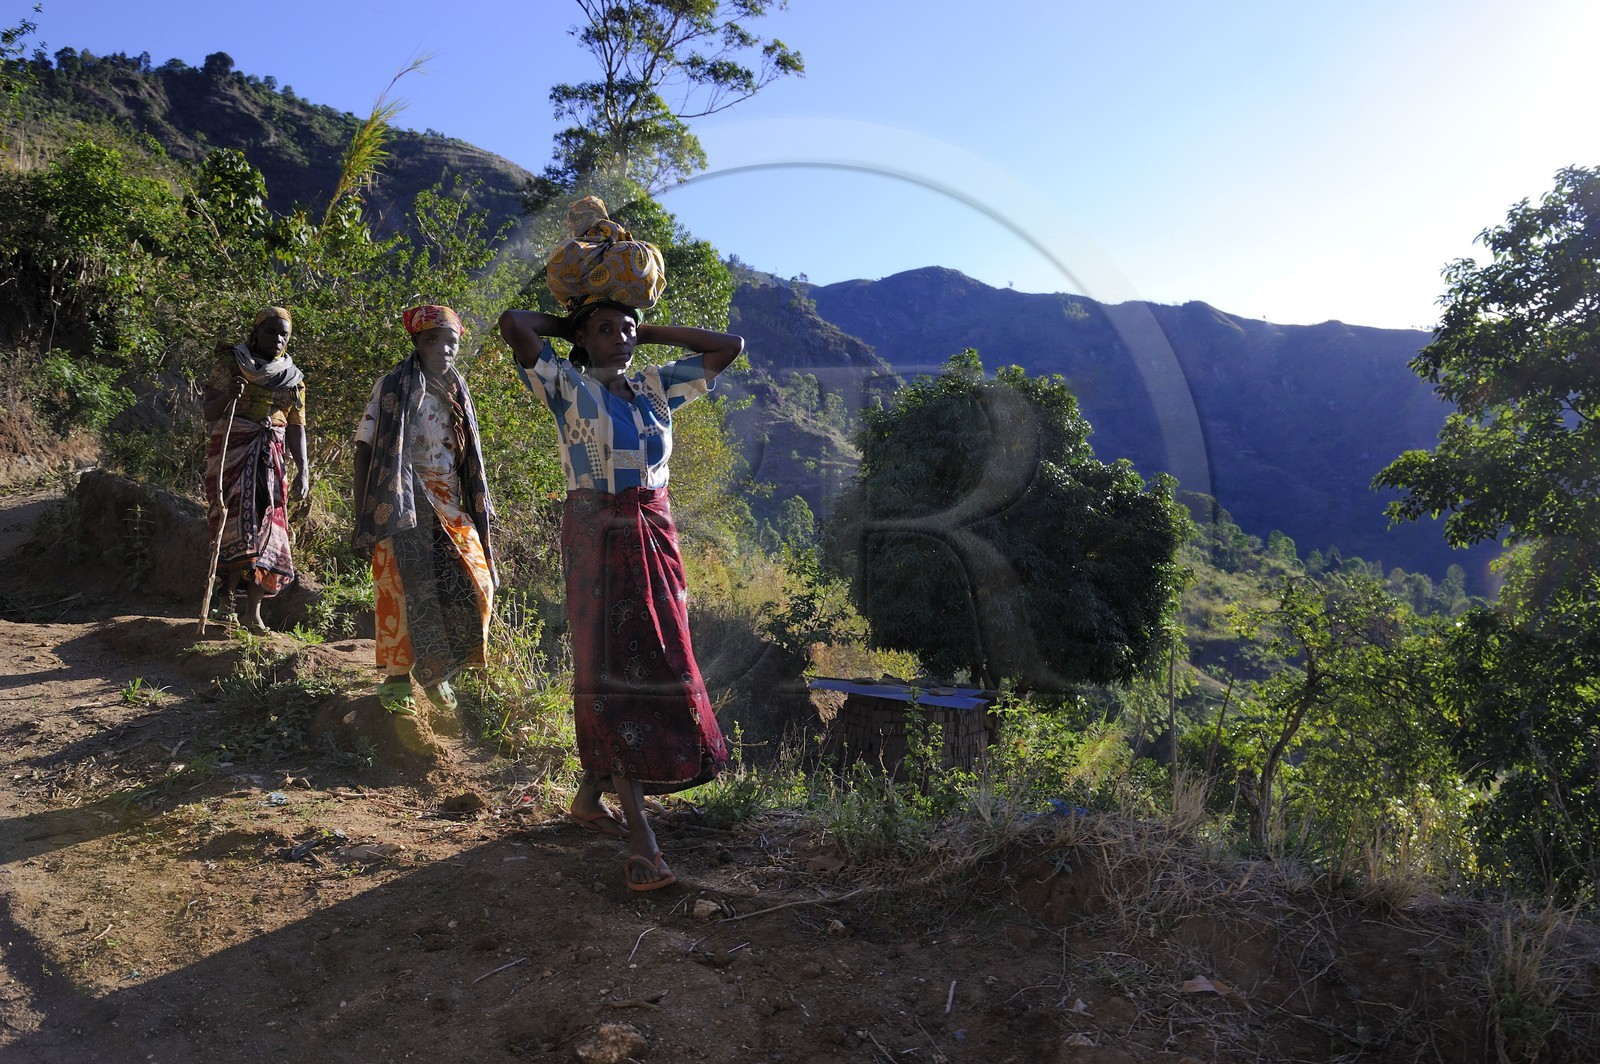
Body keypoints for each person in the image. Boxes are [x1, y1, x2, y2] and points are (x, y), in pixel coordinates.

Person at [498, 299, 742, 891]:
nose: (621, 338)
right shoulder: (562, 383)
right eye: (606, 331)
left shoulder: (658, 387)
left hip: (654, 536)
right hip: (596, 535)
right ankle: (643, 839)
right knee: (609, 668)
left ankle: (588, 799)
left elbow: (727, 346)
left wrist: (640, 328)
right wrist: (580, 326)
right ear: (582, 338)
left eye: (628, 330)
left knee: (662, 658)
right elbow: (515, 324)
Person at [351, 305, 497, 719]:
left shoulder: (457, 390)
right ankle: (397, 680)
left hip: (450, 501)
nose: (444, 348)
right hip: (401, 499)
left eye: (451, 340)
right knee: (398, 588)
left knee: (478, 584)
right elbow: (364, 450)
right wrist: (364, 514)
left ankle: (438, 671)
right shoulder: (392, 385)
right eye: (434, 339)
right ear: (417, 342)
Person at [201, 306, 310, 633]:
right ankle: (225, 603)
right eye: (271, 332)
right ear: (255, 332)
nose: (277, 339)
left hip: (271, 459)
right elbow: (208, 411)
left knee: (269, 529)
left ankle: (254, 613)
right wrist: (228, 397)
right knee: (233, 522)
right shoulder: (230, 363)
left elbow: (296, 427)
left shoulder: (293, 378)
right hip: (234, 451)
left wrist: (303, 469)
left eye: (284, 335)